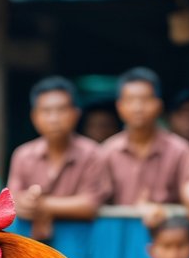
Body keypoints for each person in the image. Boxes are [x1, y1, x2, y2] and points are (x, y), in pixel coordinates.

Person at [100, 67, 189, 227]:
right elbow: (95, 198)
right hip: (120, 239)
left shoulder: (180, 150)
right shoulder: (108, 152)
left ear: (158, 105)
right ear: (120, 107)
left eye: (145, 100)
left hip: (171, 241)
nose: (138, 107)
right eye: (131, 100)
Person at [7, 76, 112, 243]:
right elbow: (12, 200)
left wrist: (41, 205)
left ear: (75, 114)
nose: (54, 118)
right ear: (35, 117)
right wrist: (26, 202)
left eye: (61, 110)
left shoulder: (92, 153)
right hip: (32, 245)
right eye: (46, 111)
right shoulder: (23, 155)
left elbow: (90, 205)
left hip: (80, 243)